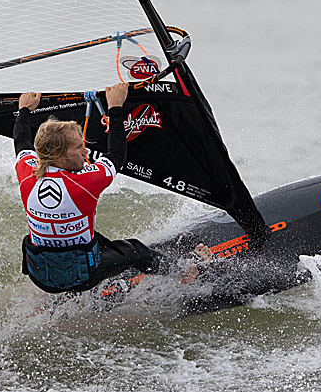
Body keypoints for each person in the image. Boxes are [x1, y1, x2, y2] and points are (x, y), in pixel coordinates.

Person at [14, 83, 211, 294]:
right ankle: (184, 270)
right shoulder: (86, 183)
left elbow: (22, 142)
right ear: (61, 155)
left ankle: (64, 292)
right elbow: (116, 155)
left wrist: (24, 110)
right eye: (78, 147)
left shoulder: (27, 173)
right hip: (83, 277)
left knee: (92, 241)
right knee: (135, 250)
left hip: (40, 278)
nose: (85, 150)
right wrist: (115, 107)